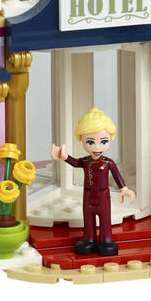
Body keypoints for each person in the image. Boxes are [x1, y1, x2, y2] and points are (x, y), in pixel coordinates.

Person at [50, 108, 135, 256]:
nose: (97, 147)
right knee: (88, 218)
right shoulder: (85, 161)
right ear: (82, 140)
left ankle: (106, 239)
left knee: (105, 218)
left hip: (103, 195)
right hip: (88, 195)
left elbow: (116, 175)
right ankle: (89, 238)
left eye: (103, 142)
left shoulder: (108, 162)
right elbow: (76, 163)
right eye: (90, 142)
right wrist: (64, 157)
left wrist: (124, 189)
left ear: (110, 140)